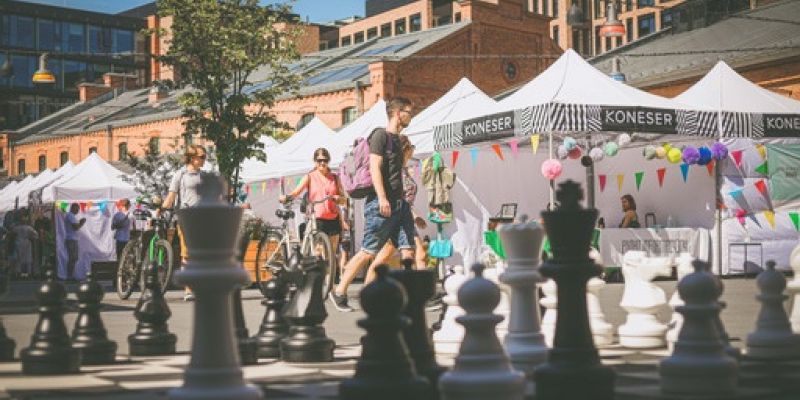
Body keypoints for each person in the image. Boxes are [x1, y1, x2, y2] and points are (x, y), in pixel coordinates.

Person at [330, 97, 416, 312]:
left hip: (400, 204)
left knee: (408, 249)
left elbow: (397, 173)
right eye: (408, 112)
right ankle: (339, 291)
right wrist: (382, 197)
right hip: (381, 203)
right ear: (398, 113)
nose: (411, 116)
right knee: (368, 251)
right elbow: (375, 168)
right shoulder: (380, 136)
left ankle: (411, 295)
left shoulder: (398, 140)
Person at [363, 135, 427, 284]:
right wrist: (414, 216)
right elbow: (400, 199)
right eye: (411, 147)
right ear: (405, 149)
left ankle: (416, 289)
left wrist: (415, 216)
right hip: (398, 218)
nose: (413, 150)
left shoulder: (404, 169)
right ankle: (419, 289)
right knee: (413, 253)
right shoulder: (396, 171)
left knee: (394, 256)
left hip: (405, 217)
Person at [280, 148, 348, 265]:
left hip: (333, 218)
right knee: (319, 252)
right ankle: (319, 279)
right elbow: (296, 192)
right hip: (317, 218)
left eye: (325, 160)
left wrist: (338, 198)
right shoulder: (310, 177)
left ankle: (329, 281)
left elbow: (344, 200)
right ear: (315, 161)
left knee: (331, 255)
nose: (322, 163)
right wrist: (286, 197)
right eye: (319, 160)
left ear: (328, 161)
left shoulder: (335, 178)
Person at [161, 144, 211, 301]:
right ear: (192, 158)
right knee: (187, 253)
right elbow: (171, 196)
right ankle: (189, 290)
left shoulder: (204, 176)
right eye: (201, 157)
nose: (204, 159)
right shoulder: (180, 174)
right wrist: (161, 209)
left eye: (205, 156)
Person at [12, 209, 38, 279]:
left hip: (19, 242)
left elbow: (12, 232)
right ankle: (28, 273)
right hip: (27, 243)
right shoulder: (29, 228)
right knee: (27, 258)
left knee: (19, 258)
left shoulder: (17, 228)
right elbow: (36, 235)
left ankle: (18, 273)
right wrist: (30, 238)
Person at [64, 203, 86, 281]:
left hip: (73, 239)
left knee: (74, 258)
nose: (78, 210)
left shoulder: (71, 216)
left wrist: (79, 222)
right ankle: (70, 276)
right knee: (72, 258)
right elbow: (76, 227)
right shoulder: (70, 216)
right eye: (77, 209)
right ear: (72, 208)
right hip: (71, 239)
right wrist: (82, 223)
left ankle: (71, 275)